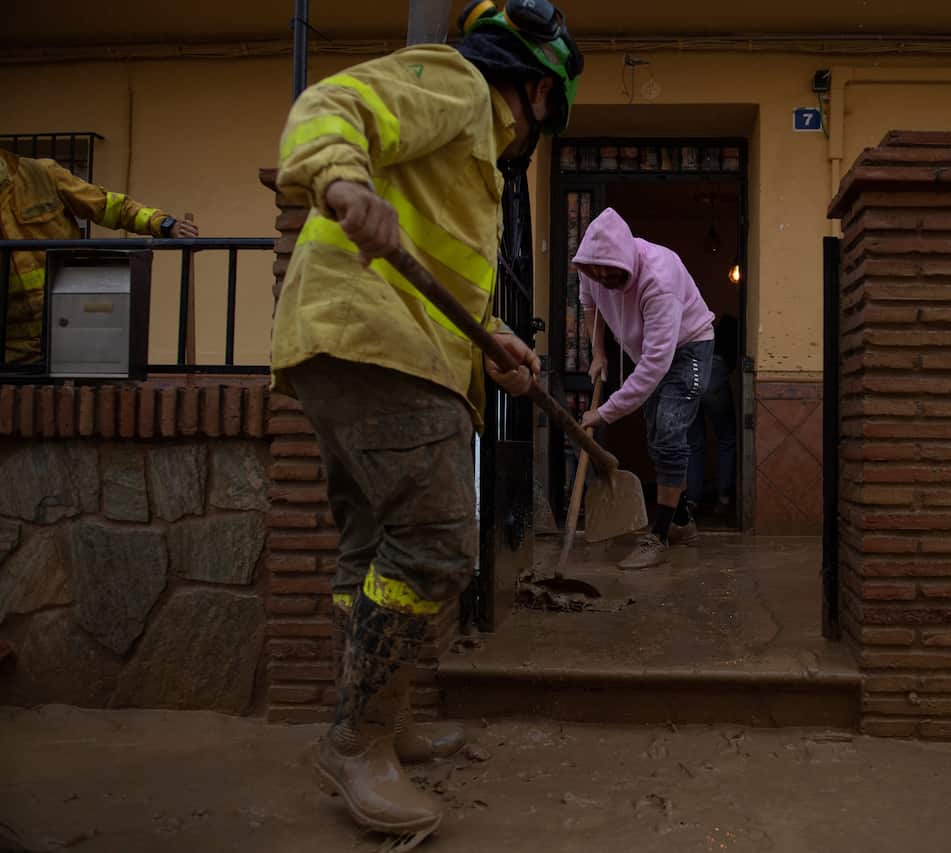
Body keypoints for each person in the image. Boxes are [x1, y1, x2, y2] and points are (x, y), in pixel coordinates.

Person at [271, 0, 581, 841]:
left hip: (348, 340)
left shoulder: (467, 159)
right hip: (375, 341)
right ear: (540, 95)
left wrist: (496, 343)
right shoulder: (460, 85)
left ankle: (385, 719)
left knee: (370, 543)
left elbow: (441, 278)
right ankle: (357, 740)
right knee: (440, 535)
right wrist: (341, 178)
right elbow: (328, 104)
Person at [576, 208, 715, 570]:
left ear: (627, 260)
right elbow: (588, 301)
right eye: (598, 272)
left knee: (669, 430)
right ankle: (682, 521)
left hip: (690, 350)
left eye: (613, 274)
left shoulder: (659, 279)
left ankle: (661, 535)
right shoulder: (592, 268)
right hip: (649, 352)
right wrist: (598, 352)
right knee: (657, 437)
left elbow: (655, 365)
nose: (604, 278)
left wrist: (603, 413)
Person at [0, 149, 198, 364]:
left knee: (90, 393)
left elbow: (111, 207)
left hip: (71, 323)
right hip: (12, 348)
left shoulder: (40, 174)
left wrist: (165, 225)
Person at [686, 313, 738, 517]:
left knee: (694, 443)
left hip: (690, 376)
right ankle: (724, 499)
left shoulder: (704, 336)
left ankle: (692, 500)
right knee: (727, 439)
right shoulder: (731, 340)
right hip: (715, 375)